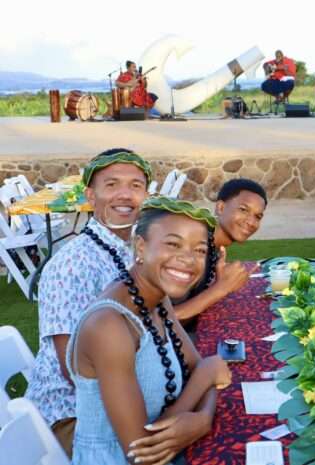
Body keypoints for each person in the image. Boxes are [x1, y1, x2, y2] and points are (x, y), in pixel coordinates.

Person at [67, 196, 232, 465]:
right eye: (172, 244)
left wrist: (202, 416)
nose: (188, 260)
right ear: (140, 247)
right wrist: (204, 386)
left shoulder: (158, 299)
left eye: (200, 250)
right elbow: (141, 453)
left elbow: (198, 366)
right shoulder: (109, 326)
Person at [25, 148, 152, 457]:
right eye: (112, 185)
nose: (125, 195)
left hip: (121, 390)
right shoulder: (71, 265)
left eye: (135, 185)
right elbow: (73, 368)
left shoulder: (131, 250)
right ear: (91, 196)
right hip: (73, 413)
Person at [173, 179, 267, 326]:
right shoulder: (193, 247)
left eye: (258, 216)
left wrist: (217, 283)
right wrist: (221, 288)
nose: (251, 222)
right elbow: (164, 320)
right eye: (243, 209)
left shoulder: (214, 247)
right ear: (221, 207)